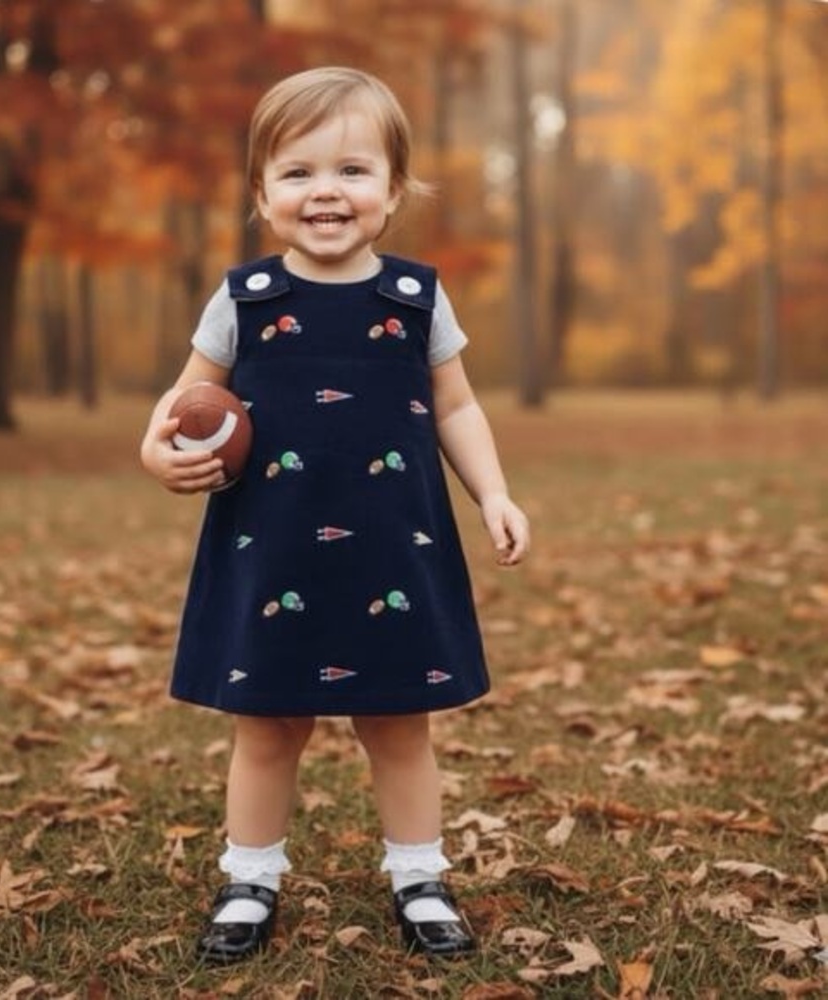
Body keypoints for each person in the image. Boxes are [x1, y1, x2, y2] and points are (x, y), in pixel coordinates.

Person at [140, 66, 529, 964]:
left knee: (398, 721)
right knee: (269, 724)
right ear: (262, 195)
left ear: (393, 191)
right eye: (299, 171)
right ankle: (249, 880)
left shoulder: (415, 299)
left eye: (353, 170)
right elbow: (182, 402)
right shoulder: (244, 300)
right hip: (270, 547)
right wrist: (156, 453)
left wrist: (495, 493)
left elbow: (457, 407)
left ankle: (419, 876)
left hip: (395, 547)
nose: (326, 191)